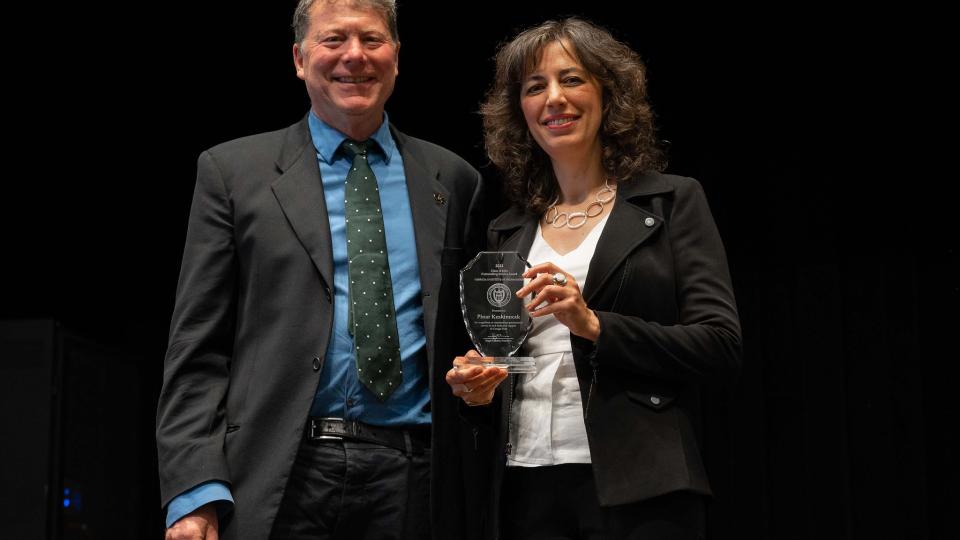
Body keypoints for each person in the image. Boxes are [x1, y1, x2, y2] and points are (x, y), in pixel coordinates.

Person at [156, 1, 485, 538]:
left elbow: (470, 336)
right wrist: (194, 492)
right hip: (277, 475)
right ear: (298, 58)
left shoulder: (454, 180)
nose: (354, 56)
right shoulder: (232, 174)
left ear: (397, 57)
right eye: (334, 40)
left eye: (372, 40)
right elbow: (197, 348)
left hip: (415, 479)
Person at [446, 17, 741, 540]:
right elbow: (510, 359)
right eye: (535, 87)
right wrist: (480, 386)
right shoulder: (506, 230)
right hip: (525, 482)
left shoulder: (671, 203)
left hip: (639, 486)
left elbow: (719, 345)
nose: (554, 99)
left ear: (608, 94)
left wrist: (594, 324)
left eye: (572, 79)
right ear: (520, 112)